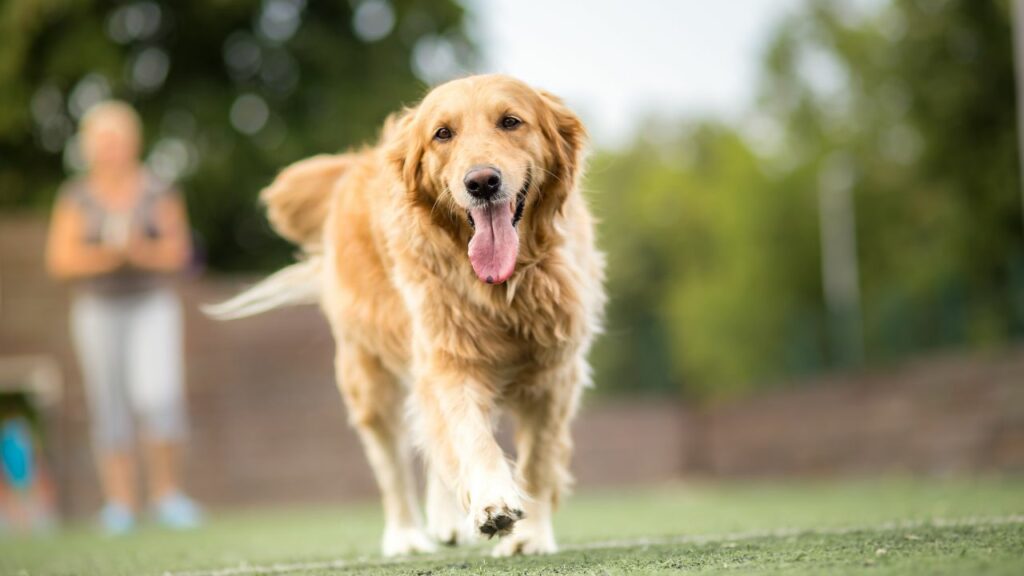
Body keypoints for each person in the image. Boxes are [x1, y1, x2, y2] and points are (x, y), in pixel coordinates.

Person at [45, 101, 202, 534]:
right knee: (108, 404)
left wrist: (137, 253)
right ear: (89, 147)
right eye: (102, 140)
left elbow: (178, 253)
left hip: (152, 305)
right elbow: (61, 260)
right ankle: (120, 505)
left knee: (161, 396)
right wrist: (109, 257)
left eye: (117, 139)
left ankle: (168, 496)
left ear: (133, 143)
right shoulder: (75, 195)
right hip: (97, 309)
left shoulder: (158, 190)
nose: (110, 148)